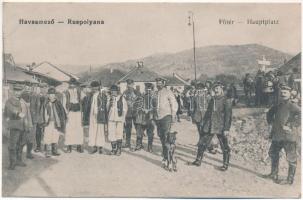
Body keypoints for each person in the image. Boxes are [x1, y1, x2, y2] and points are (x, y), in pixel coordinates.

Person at [189, 81, 232, 171]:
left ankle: (225, 164)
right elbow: (208, 112)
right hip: (209, 125)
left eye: (217, 88)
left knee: (224, 146)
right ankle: (198, 160)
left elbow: (228, 116)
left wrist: (226, 129)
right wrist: (205, 123)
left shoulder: (226, 100)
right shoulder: (212, 99)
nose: (216, 90)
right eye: (214, 89)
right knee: (202, 143)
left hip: (220, 126)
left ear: (221, 89)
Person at [263, 84, 301, 185]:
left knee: (291, 158)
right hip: (277, 136)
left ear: (290, 94)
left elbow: (301, 116)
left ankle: (289, 180)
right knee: (273, 153)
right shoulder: (278, 105)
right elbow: (269, 113)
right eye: (282, 92)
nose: (283, 94)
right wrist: (270, 122)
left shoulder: (293, 106)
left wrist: (291, 125)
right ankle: (274, 174)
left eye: (285, 92)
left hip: (289, 137)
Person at [153, 77, 178, 166]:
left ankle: (169, 158)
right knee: (161, 136)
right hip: (158, 117)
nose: (158, 84)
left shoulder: (168, 92)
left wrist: (173, 115)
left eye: (160, 83)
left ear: (163, 83)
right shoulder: (155, 93)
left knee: (167, 136)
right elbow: (154, 105)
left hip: (166, 116)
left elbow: (174, 104)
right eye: (157, 83)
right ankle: (165, 154)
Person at [4, 84, 28, 170]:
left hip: (23, 126)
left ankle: (18, 160)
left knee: (21, 144)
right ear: (13, 91)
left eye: (19, 91)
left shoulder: (22, 100)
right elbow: (10, 108)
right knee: (12, 145)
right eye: (16, 91)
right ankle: (12, 163)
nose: (18, 93)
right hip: (15, 126)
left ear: (21, 91)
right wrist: (18, 113)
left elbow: (26, 113)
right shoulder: (9, 101)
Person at [43, 87, 67, 158]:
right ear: (48, 95)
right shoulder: (45, 102)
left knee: (55, 135)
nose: (51, 96)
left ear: (55, 95)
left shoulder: (58, 102)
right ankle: (48, 151)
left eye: (53, 94)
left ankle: (54, 150)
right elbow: (42, 112)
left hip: (56, 123)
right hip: (48, 122)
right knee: (48, 136)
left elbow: (62, 112)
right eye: (50, 94)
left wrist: (62, 120)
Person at [63, 78, 83, 153]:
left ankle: (79, 146)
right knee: (69, 129)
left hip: (78, 112)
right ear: (69, 84)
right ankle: (69, 146)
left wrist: (82, 113)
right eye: (71, 84)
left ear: (76, 84)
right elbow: (64, 104)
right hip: (70, 112)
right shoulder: (66, 92)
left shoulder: (79, 91)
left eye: (74, 84)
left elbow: (82, 102)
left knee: (79, 129)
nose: (72, 85)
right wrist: (66, 113)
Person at [107, 85, 128, 156]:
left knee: (119, 133)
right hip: (111, 118)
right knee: (111, 133)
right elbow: (107, 108)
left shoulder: (122, 98)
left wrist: (123, 118)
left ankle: (119, 149)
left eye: (114, 90)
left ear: (117, 91)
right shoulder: (109, 98)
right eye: (112, 91)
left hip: (119, 119)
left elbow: (125, 109)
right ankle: (113, 149)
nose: (113, 92)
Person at [88, 81, 107, 154]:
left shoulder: (102, 94)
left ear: (99, 87)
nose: (94, 89)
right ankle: (94, 147)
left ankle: (101, 147)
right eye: (93, 87)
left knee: (100, 131)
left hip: (100, 114)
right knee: (93, 130)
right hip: (92, 115)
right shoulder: (90, 95)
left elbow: (105, 104)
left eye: (96, 87)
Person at [32, 82, 49, 153]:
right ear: (40, 88)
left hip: (46, 117)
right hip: (39, 118)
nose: (43, 89)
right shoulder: (36, 96)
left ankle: (46, 147)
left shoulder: (49, 97)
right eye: (41, 88)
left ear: (47, 88)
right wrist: (35, 116)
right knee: (38, 133)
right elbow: (33, 107)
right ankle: (38, 146)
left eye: (45, 87)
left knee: (46, 132)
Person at [122, 79, 138, 150]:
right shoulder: (124, 92)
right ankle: (127, 143)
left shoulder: (137, 92)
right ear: (127, 85)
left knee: (138, 128)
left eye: (131, 84)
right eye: (128, 84)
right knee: (128, 129)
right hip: (128, 113)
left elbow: (140, 101)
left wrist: (137, 109)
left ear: (133, 84)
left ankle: (138, 144)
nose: (129, 86)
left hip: (135, 113)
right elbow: (122, 102)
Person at [81, 83, 93, 150]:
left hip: (90, 116)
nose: (85, 89)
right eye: (85, 88)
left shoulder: (91, 96)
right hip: (85, 115)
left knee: (88, 130)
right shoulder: (85, 97)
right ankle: (86, 143)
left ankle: (89, 143)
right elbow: (82, 107)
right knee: (86, 129)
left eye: (87, 88)